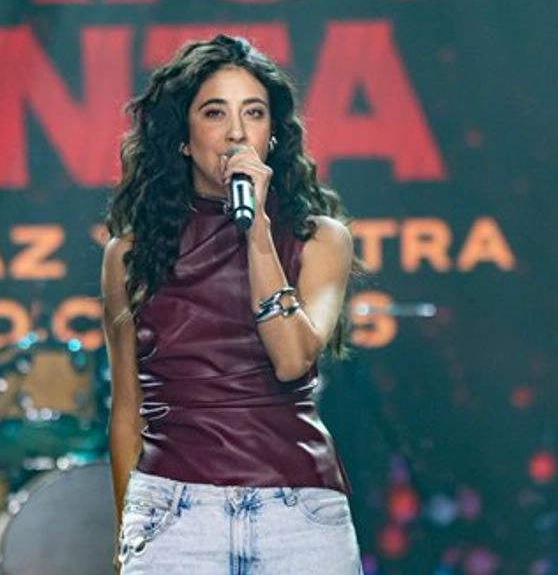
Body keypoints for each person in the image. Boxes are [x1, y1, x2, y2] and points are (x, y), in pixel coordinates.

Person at [101, 34, 362, 574]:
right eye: (215, 112)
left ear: (272, 135)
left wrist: (258, 232)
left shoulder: (320, 240)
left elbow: (292, 359)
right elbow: (126, 412)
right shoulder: (129, 257)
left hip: (299, 514)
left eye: (255, 113)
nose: (237, 131)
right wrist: (131, 527)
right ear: (183, 136)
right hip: (174, 515)